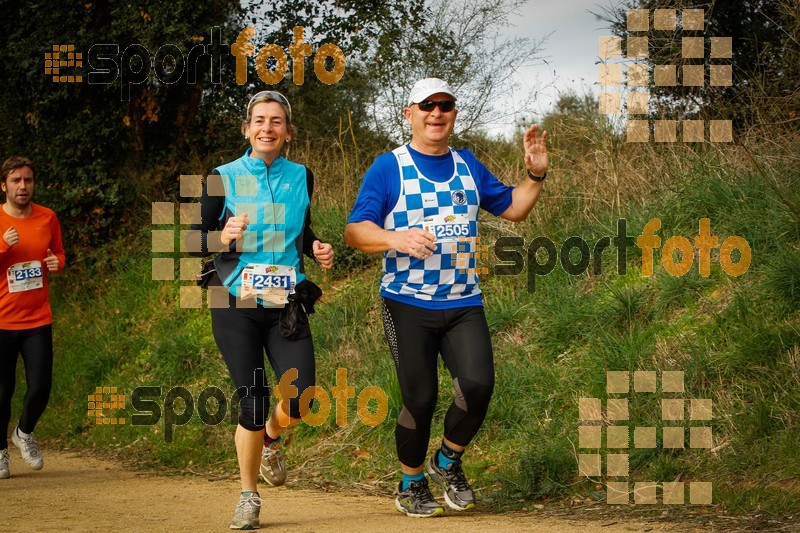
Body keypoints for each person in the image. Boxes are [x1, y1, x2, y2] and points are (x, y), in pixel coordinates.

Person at [344, 78, 548, 517]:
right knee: (420, 398)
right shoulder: (389, 167)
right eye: (427, 106)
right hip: (407, 302)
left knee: (477, 387)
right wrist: (396, 239)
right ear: (409, 114)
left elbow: (514, 208)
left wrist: (535, 173)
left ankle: (446, 461)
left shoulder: (467, 165)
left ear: (454, 113)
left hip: (462, 301)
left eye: (446, 106)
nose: (436, 114)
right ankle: (410, 482)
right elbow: (355, 231)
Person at [189, 91, 334, 530]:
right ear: (246, 129)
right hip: (234, 301)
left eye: (276, 121)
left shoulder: (302, 176)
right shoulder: (222, 176)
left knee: (302, 396)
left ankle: (270, 439)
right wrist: (223, 236)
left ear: (288, 131)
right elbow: (195, 240)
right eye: (259, 120)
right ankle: (248, 496)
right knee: (252, 402)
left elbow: (301, 231)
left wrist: (316, 246)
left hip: (285, 303)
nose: (267, 128)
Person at [0, 156, 66, 480]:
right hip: (2, 321)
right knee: (2, 390)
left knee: (40, 387)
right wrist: (2, 245)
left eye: (27, 180)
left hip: (38, 318)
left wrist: (58, 263)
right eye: (16, 181)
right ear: (4, 186)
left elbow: (59, 252)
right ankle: (0, 450)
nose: (23, 186)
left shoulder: (47, 217)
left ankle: (23, 433)